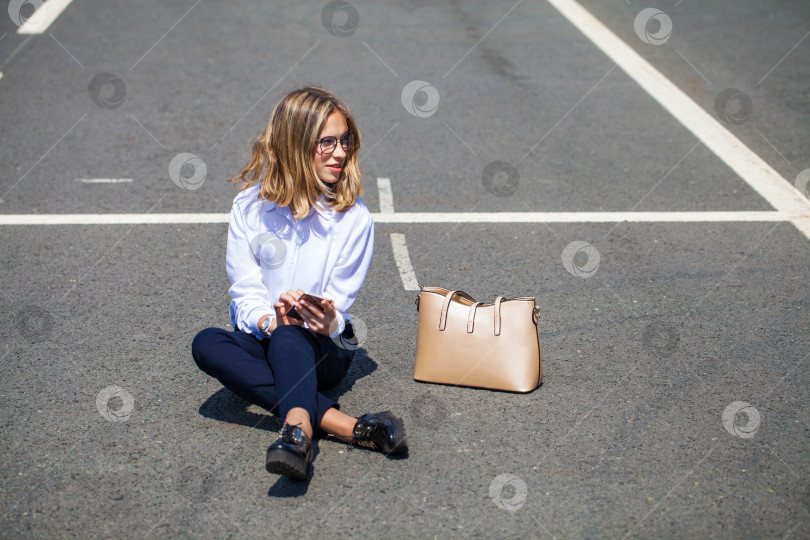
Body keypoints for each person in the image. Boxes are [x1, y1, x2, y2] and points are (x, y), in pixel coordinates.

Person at [191, 86, 408, 480]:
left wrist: (326, 322)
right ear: (295, 143)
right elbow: (245, 290)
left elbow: (338, 309)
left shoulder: (353, 219)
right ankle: (350, 426)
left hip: (327, 347)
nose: (341, 153)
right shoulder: (249, 207)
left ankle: (298, 431)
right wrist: (268, 322)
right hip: (267, 335)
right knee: (207, 343)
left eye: (345, 141)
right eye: (327, 142)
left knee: (292, 335)